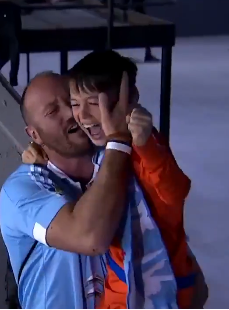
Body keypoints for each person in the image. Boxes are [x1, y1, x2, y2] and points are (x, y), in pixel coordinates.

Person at [0, 72, 178, 309]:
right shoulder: (21, 190)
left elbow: (171, 210)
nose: (72, 115)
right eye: (52, 112)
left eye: (71, 102)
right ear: (34, 134)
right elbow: (89, 237)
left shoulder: (121, 160)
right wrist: (117, 140)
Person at [67, 50, 207, 309]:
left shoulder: (146, 145)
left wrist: (146, 146)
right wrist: (39, 155)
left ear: (129, 99)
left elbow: (175, 192)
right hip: (116, 292)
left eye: (94, 103)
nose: (83, 115)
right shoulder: (99, 153)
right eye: (75, 103)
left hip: (168, 291)